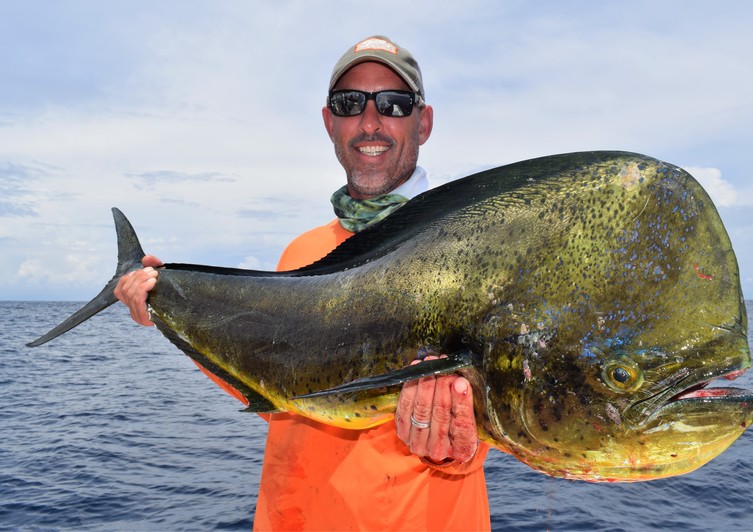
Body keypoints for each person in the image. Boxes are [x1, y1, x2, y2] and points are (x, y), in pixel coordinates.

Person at [114, 36, 491, 531]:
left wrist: (457, 444)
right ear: (329, 122)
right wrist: (172, 314)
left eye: (394, 104)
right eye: (350, 103)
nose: (371, 122)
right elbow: (281, 389)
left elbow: (501, 420)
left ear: (423, 123)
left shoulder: (468, 249)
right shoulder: (302, 251)